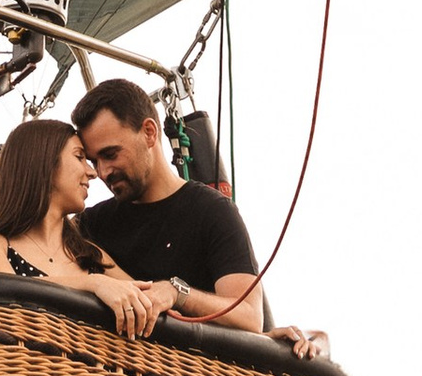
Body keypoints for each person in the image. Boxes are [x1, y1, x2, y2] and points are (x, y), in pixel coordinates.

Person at [75, 81, 317, 349]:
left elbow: (249, 316)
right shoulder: (91, 224)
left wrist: (176, 292)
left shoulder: (211, 211)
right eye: (94, 161)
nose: (103, 171)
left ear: (149, 133)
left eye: (110, 154)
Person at [0, 116, 172, 337]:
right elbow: (1, 295)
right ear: (43, 161)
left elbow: (148, 302)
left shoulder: (92, 256)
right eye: (79, 157)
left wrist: (175, 290)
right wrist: (92, 284)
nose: (93, 172)